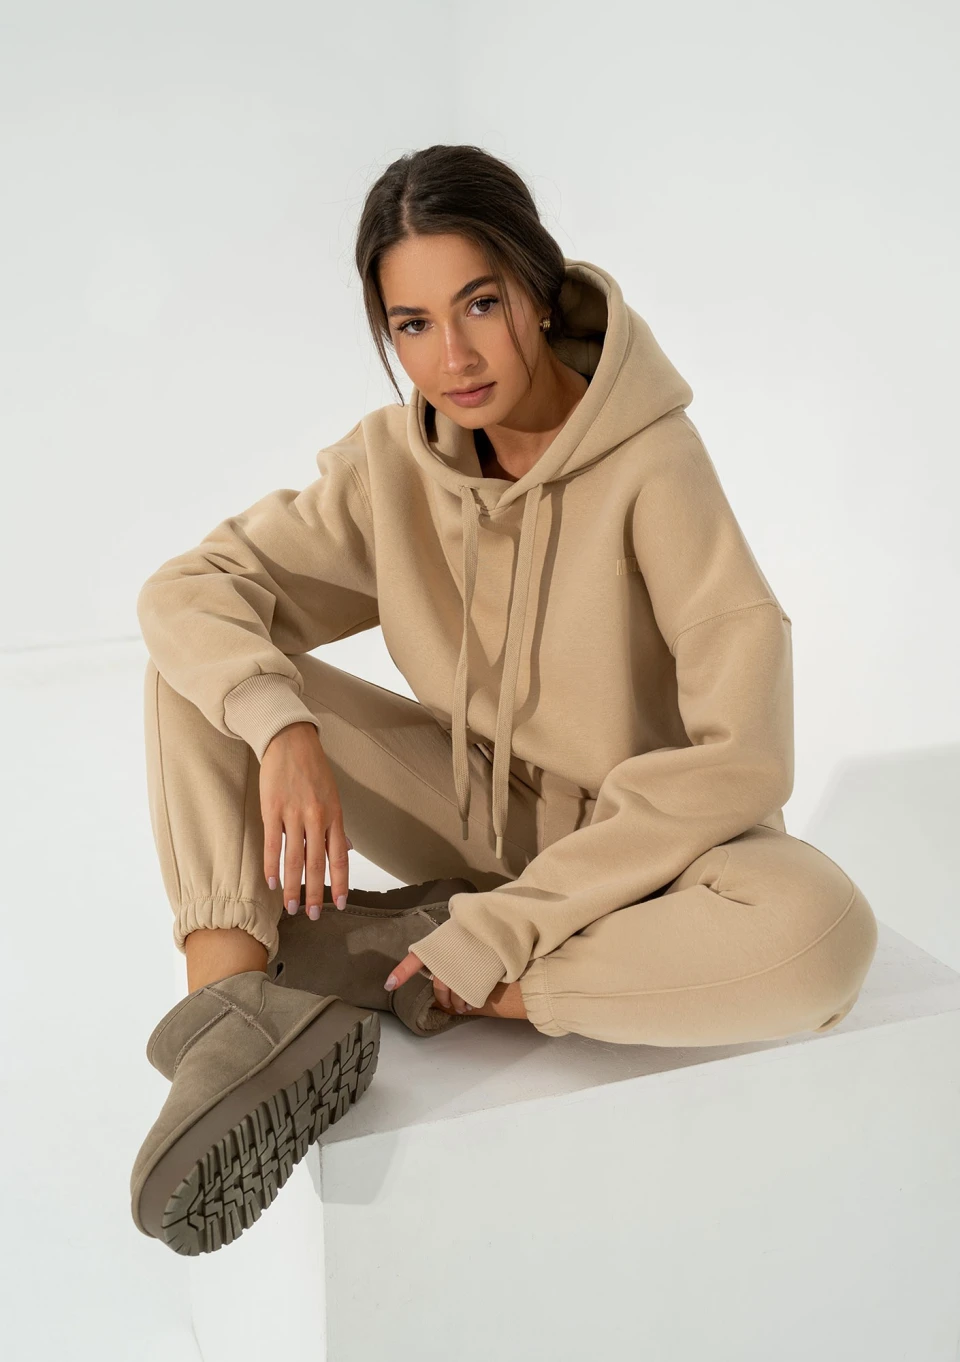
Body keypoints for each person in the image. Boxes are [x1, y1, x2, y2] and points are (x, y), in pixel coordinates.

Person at [130, 143, 879, 1254]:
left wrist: (505, 931)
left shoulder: (655, 465)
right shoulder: (393, 467)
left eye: (480, 303)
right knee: (201, 674)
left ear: (537, 289)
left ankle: (419, 971)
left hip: (651, 860)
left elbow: (746, 756)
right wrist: (281, 728)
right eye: (413, 324)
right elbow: (190, 590)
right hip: (475, 815)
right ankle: (234, 1027)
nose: (454, 356)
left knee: (823, 935)